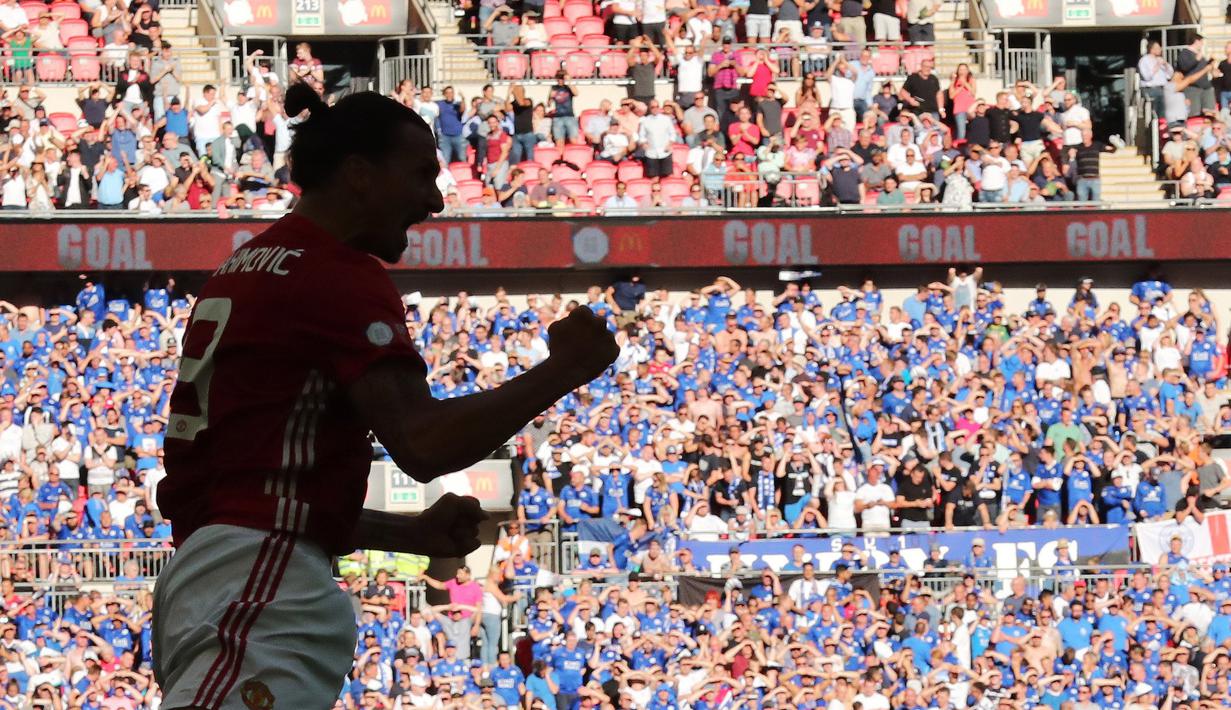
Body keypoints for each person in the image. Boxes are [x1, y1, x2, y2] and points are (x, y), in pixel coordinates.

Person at [151, 83, 619, 710]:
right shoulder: (336, 273)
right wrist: (564, 371)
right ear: (359, 174)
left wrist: (412, 536)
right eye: (422, 174)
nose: (433, 200)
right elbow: (422, 444)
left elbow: (264, 494)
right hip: (260, 581)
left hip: (222, 570)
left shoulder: (247, 266)